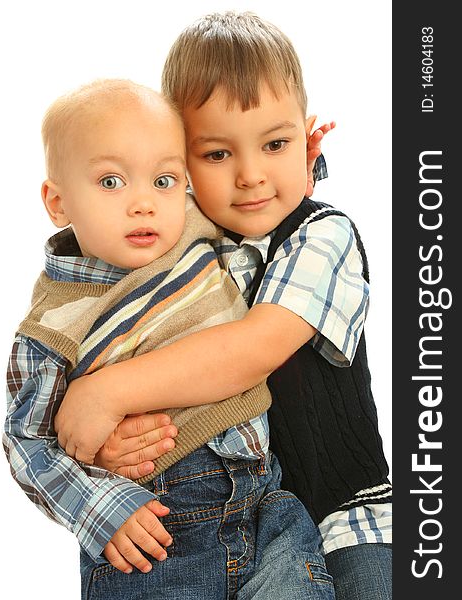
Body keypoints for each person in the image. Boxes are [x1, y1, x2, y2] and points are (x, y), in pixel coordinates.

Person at [54, 12, 392, 600]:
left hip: (346, 521)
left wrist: (106, 396)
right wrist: (114, 441)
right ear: (179, 166)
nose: (252, 176)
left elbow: (249, 351)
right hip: (235, 524)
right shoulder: (179, 248)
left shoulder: (323, 237)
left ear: (306, 142)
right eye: (216, 155)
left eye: (276, 144)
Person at [3, 78, 336, 600]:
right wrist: (103, 509)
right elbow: (28, 442)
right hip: (157, 524)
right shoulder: (53, 322)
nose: (144, 203)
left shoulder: (196, 227)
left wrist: (300, 167)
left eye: (164, 180)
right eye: (112, 182)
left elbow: (256, 204)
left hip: (269, 503)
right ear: (57, 202)